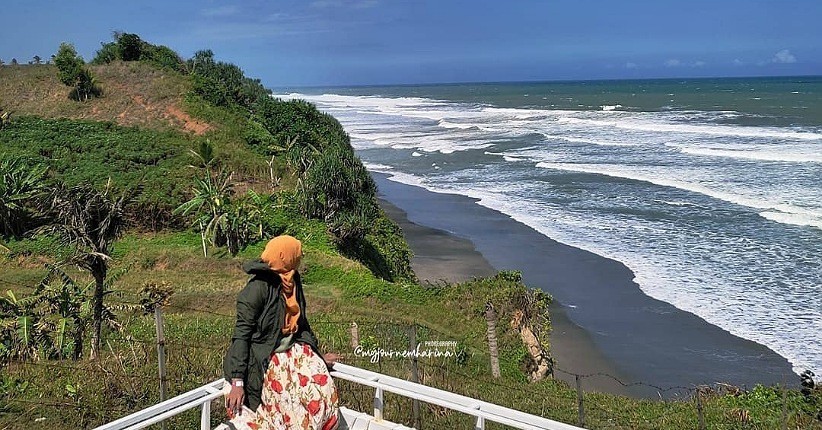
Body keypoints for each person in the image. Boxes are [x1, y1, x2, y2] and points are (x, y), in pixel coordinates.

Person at [222, 235, 341, 430]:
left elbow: (302, 323)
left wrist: (318, 357)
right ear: (284, 257)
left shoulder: (292, 280)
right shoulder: (257, 289)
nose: (300, 257)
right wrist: (237, 382)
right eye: (296, 254)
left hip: (293, 349)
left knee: (322, 390)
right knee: (289, 402)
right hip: (266, 354)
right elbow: (241, 335)